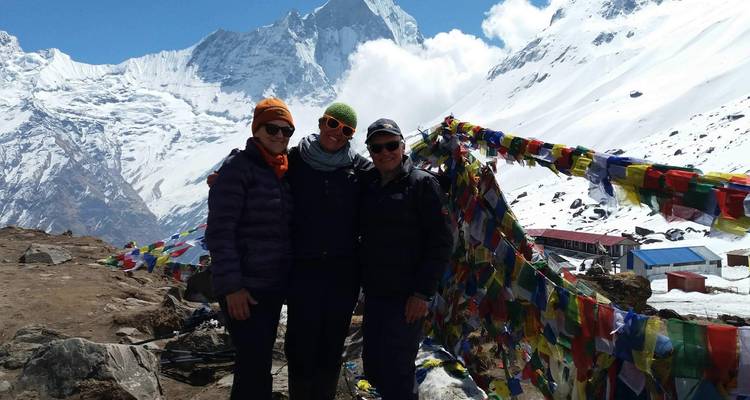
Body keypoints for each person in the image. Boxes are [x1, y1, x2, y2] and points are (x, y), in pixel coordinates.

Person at [205, 97, 295, 400]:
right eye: (273, 128)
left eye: (287, 131)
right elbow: (219, 233)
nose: (280, 136)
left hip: (270, 285)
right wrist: (232, 288)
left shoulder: (281, 171)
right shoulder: (238, 169)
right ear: (257, 129)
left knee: (256, 362)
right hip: (244, 288)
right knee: (253, 363)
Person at [358, 118, 453, 400]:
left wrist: (422, 293)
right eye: (377, 148)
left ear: (402, 146)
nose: (385, 152)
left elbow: (441, 242)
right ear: (370, 151)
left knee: (399, 369)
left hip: (408, 297)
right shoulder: (370, 185)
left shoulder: (422, 184)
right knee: (374, 364)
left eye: (391, 145)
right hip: (376, 294)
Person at [284, 103, 372, 400]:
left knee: (332, 345)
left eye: (346, 130)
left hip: (342, 272)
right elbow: (259, 164)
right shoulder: (294, 158)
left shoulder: (359, 168)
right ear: (322, 122)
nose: (337, 133)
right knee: (298, 343)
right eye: (333, 124)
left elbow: (395, 177)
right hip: (302, 269)